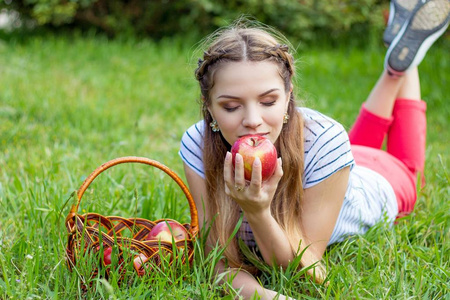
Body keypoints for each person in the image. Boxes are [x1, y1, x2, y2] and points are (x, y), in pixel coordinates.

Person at [179, 1, 449, 298]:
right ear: (209, 106)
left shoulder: (325, 141)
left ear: (288, 96)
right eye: (231, 106)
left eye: (268, 101)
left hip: (380, 181)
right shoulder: (198, 144)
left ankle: (403, 65)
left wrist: (257, 212)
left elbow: (311, 272)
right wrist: (264, 296)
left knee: (411, 170)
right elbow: (216, 260)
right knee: (349, 146)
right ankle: (398, 60)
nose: (253, 121)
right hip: (338, 163)